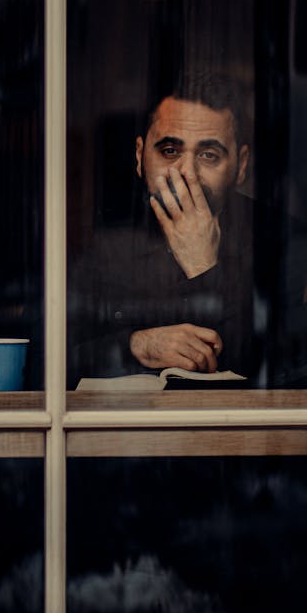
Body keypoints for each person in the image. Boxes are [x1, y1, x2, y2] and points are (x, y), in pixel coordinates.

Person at [68, 74, 258, 385]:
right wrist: (134, 345)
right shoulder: (106, 244)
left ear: (241, 166)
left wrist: (204, 267)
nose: (186, 174)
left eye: (209, 155)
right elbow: (42, 354)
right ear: (140, 156)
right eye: (170, 151)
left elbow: (273, 368)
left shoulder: (278, 241)